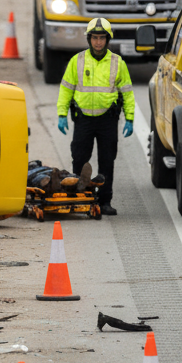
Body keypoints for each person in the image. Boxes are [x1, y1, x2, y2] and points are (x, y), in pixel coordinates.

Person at [56, 18, 134, 216]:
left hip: (107, 119)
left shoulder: (117, 63)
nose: (98, 42)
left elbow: (127, 92)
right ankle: (78, 198)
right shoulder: (77, 61)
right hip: (83, 119)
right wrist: (62, 114)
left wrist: (130, 118)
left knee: (107, 161)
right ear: (89, 39)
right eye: (94, 38)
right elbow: (66, 89)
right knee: (79, 159)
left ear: (108, 40)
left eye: (101, 38)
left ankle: (104, 201)